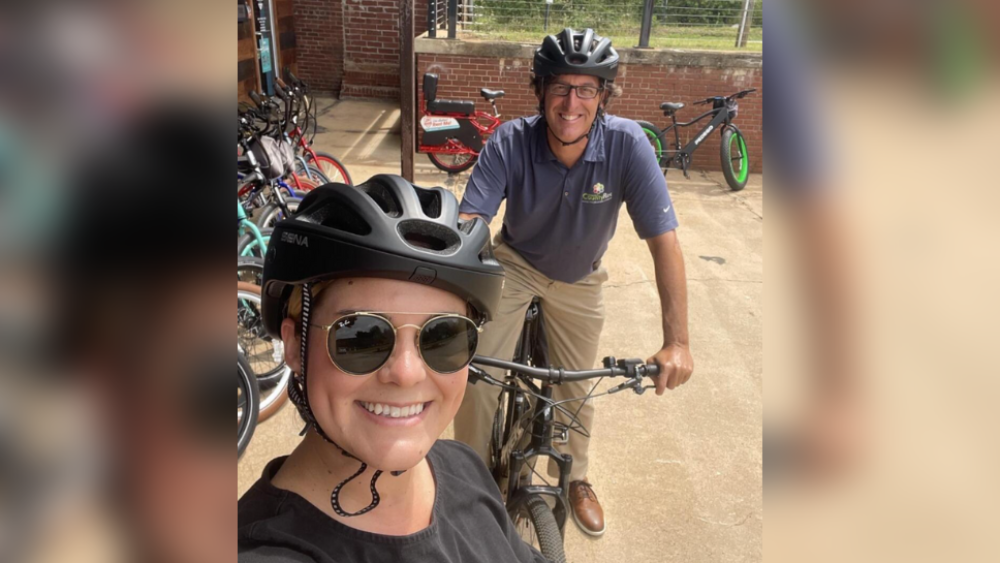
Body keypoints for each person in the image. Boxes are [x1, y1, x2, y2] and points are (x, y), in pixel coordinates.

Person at [454, 28, 695, 537]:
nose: (572, 102)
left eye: (587, 89)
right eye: (560, 87)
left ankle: (575, 477)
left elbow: (664, 242)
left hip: (580, 277)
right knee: (474, 375)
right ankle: (470, 479)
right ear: (540, 90)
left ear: (604, 96)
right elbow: (471, 221)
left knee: (576, 387)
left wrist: (677, 342)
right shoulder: (510, 141)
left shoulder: (627, 145)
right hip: (514, 265)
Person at [238, 175, 550, 563]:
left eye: (443, 336)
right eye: (361, 336)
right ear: (295, 346)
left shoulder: (463, 466)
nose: (406, 373)